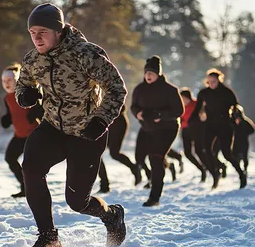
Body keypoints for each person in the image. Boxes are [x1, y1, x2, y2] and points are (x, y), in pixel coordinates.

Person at [15, 3, 127, 247]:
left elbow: (117, 88)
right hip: (53, 127)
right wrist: (25, 96)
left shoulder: (85, 54)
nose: (37, 37)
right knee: (31, 167)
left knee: (77, 202)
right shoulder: (33, 58)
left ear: (58, 29)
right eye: (32, 32)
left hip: (87, 133)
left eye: (43, 31)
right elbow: (22, 84)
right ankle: (48, 237)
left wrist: (100, 120)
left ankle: (111, 216)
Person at [131, 55, 184, 207]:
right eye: (146, 72)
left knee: (155, 158)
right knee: (139, 158)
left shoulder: (170, 90)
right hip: (147, 128)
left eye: (152, 72)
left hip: (167, 128)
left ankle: (154, 197)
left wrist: (161, 116)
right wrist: (138, 114)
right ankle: (162, 169)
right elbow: (133, 106)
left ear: (158, 74)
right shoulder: (139, 89)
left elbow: (179, 111)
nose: (148, 75)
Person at [189, 68, 246, 189]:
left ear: (219, 80)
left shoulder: (226, 92)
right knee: (206, 149)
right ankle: (215, 173)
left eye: (214, 81)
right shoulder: (204, 93)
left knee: (227, 154)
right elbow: (197, 108)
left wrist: (237, 117)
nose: (211, 83)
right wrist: (191, 120)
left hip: (225, 125)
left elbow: (235, 106)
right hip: (210, 125)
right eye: (209, 81)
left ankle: (241, 174)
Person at [1, 63, 42, 198]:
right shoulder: (7, 98)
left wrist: (35, 113)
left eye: (9, 80)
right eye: (4, 81)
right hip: (19, 135)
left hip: (32, 134)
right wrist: (7, 119)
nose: (6, 83)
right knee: (10, 158)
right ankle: (25, 187)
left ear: (16, 81)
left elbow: (40, 107)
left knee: (29, 165)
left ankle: (34, 189)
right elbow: (11, 113)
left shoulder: (25, 93)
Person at [97, 105, 141, 193]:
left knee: (114, 153)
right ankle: (104, 185)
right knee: (97, 153)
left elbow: (120, 104)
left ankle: (135, 169)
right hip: (100, 122)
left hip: (117, 121)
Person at [230, 104, 254, 176]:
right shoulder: (231, 122)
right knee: (235, 156)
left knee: (244, 156)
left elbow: (252, 130)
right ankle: (239, 170)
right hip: (235, 141)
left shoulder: (245, 121)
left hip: (243, 141)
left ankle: (245, 169)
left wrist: (244, 133)